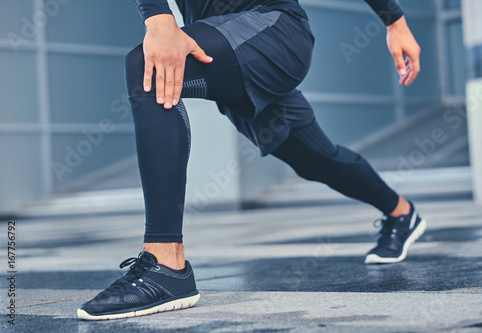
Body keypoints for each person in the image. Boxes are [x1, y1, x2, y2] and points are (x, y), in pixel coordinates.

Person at [77, 0, 425, 320]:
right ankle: (401, 212)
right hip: (226, 39)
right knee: (315, 159)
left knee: (147, 66)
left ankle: (166, 264)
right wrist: (156, 14)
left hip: (273, 29)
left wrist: (394, 21)